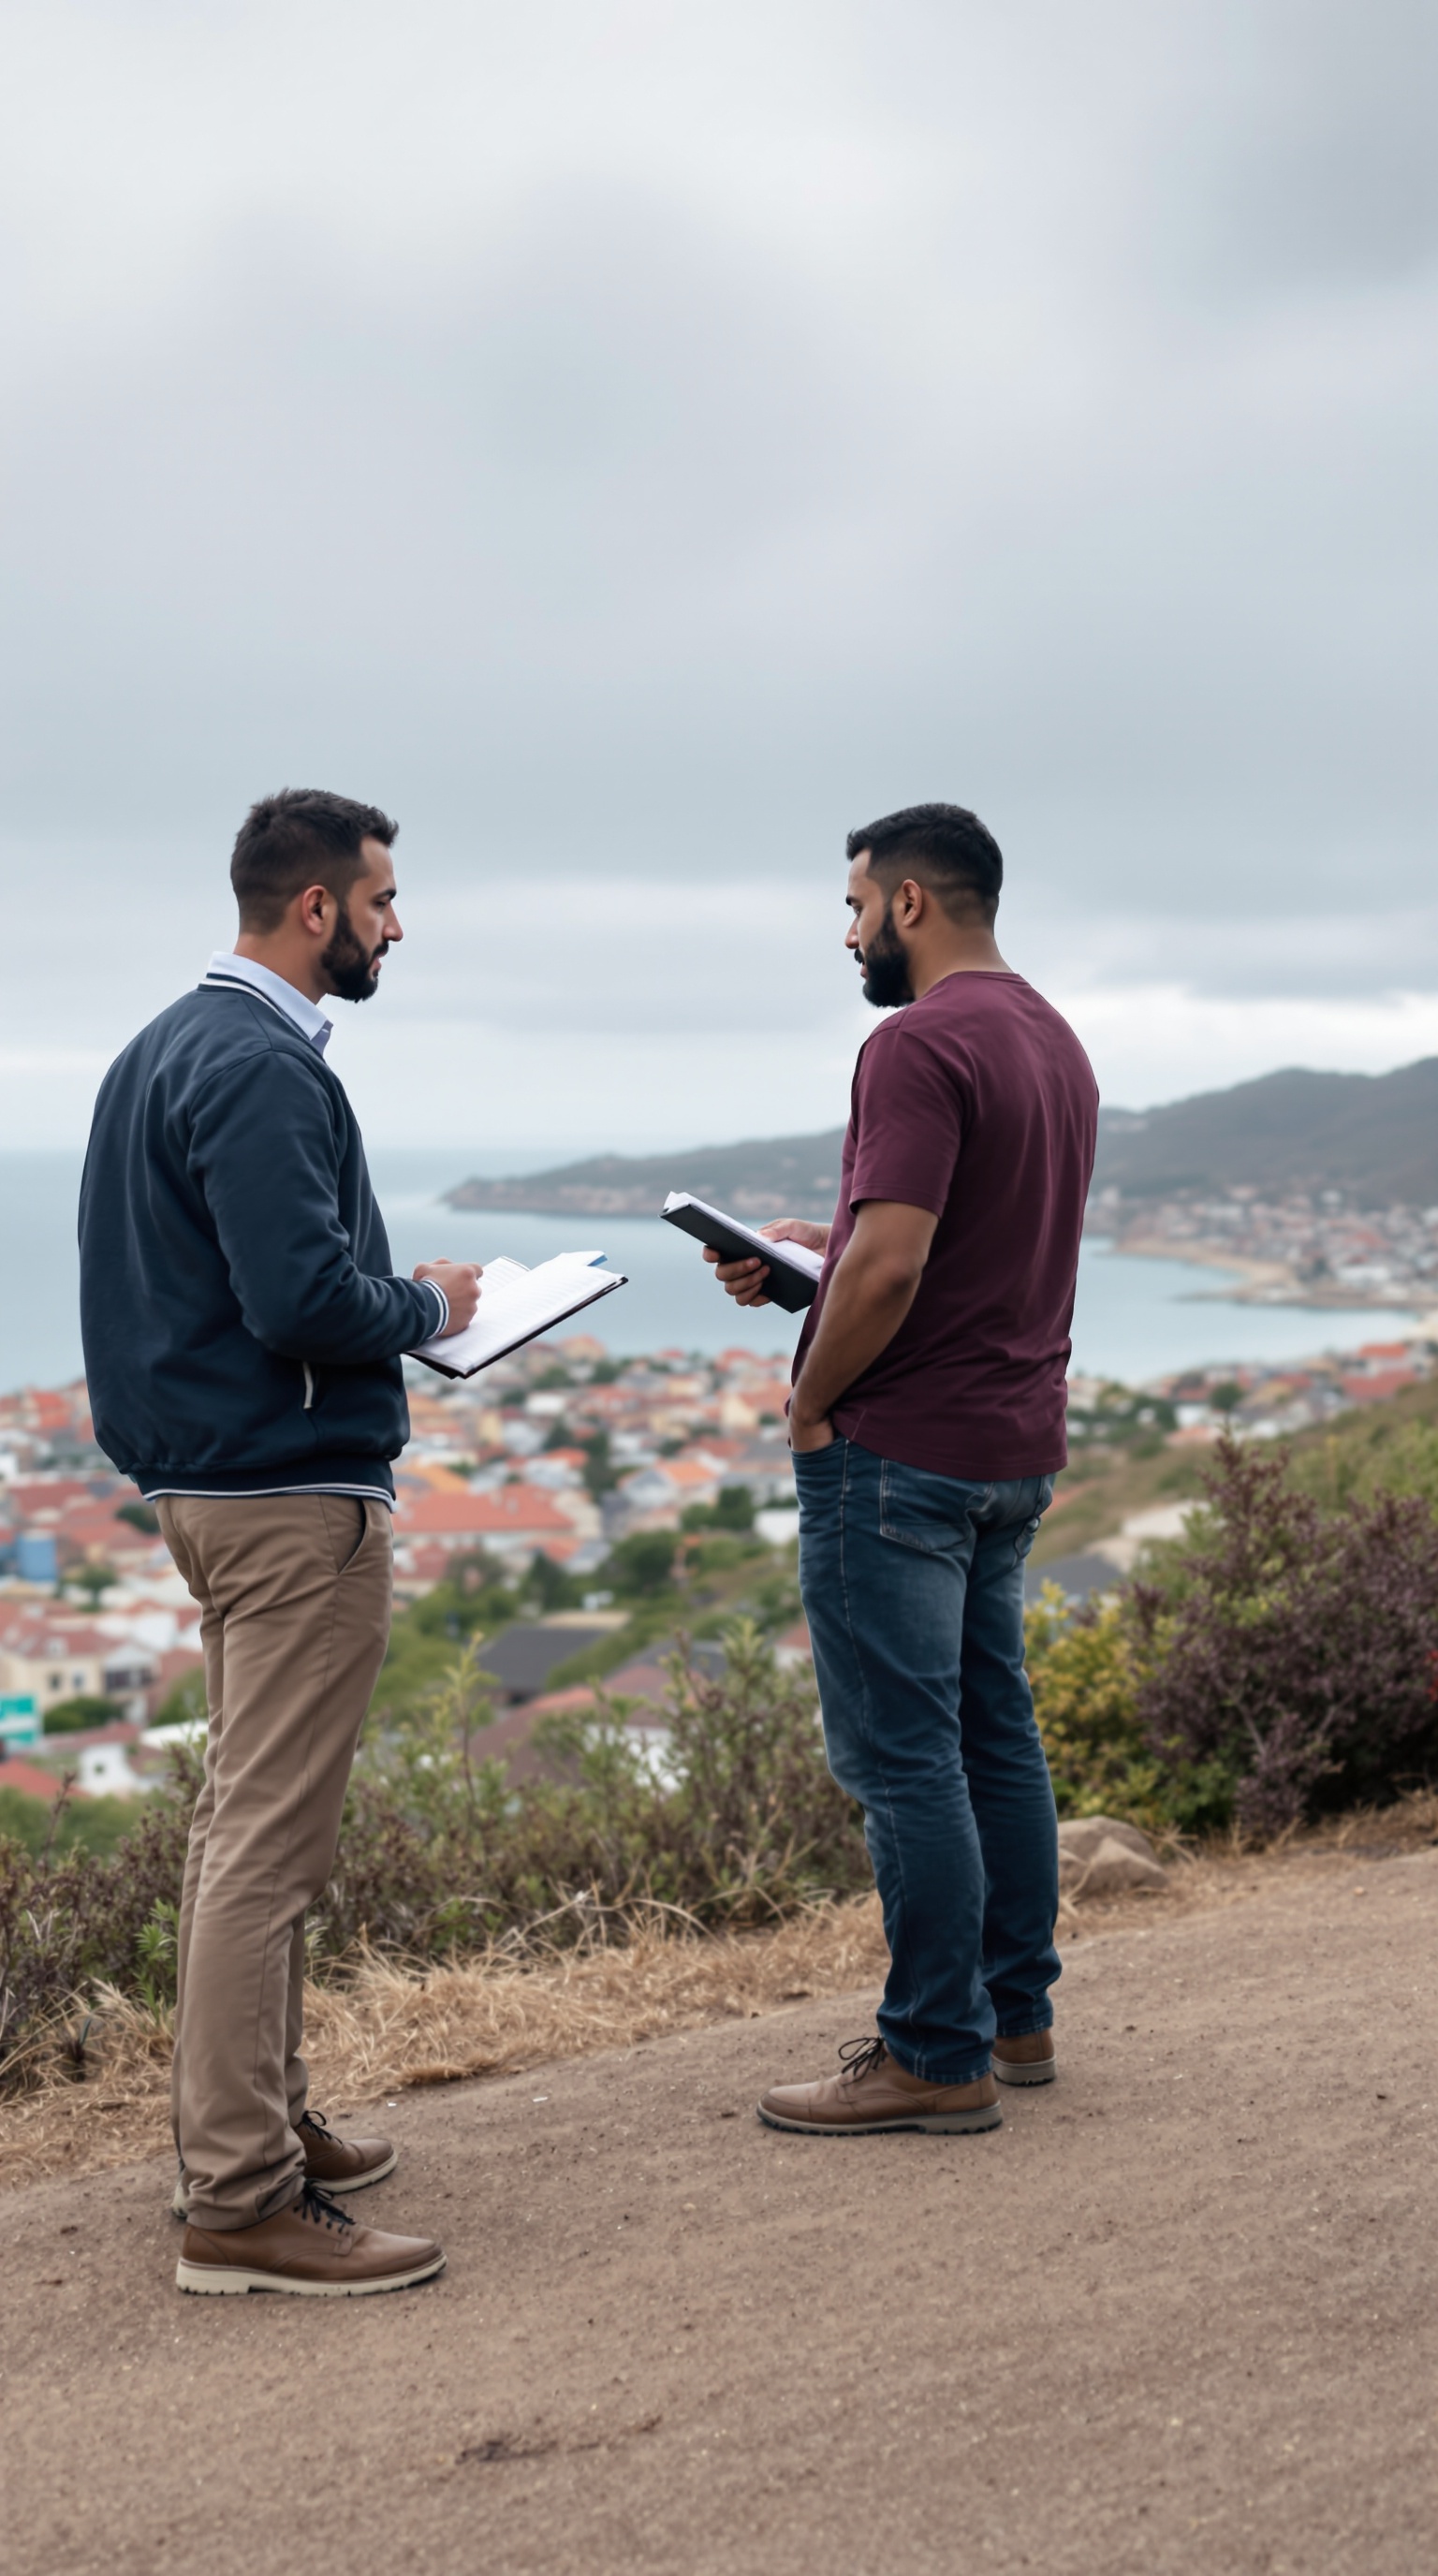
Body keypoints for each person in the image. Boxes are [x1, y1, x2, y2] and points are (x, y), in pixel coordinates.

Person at [80, 788, 481, 2294]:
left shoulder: (157, 1050)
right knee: (271, 1844)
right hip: (288, 1497)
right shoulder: (256, 1065)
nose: (395, 924)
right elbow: (303, 1301)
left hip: (207, 1485)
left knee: (241, 1830)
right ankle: (239, 2198)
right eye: (382, 900)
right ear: (315, 908)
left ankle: (261, 2121)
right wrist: (434, 1306)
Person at [705, 802, 1097, 2136]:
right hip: (1011, 1447)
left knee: (903, 1760)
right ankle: (1016, 2013)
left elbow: (892, 1268)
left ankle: (935, 2050)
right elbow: (933, 1237)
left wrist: (810, 1401)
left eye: (856, 904)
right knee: (998, 1736)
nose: (852, 931)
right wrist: (821, 1247)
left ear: (912, 904)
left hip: (901, 1455)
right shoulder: (1051, 1038)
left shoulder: (914, 1041)